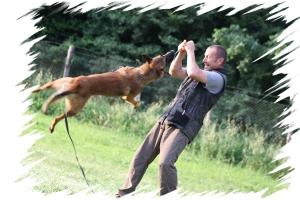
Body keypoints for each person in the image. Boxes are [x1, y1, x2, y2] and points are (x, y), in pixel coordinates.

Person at [116, 40, 227, 197]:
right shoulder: (200, 72)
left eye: (208, 57)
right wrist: (181, 53)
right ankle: (123, 194)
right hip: (167, 119)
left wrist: (190, 51)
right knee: (140, 158)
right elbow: (174, 71)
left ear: (219, 61)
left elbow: (194, 72)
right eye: (204, 56)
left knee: (165, 163)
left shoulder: (218, 79)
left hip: (183, 127)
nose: (204, 60)